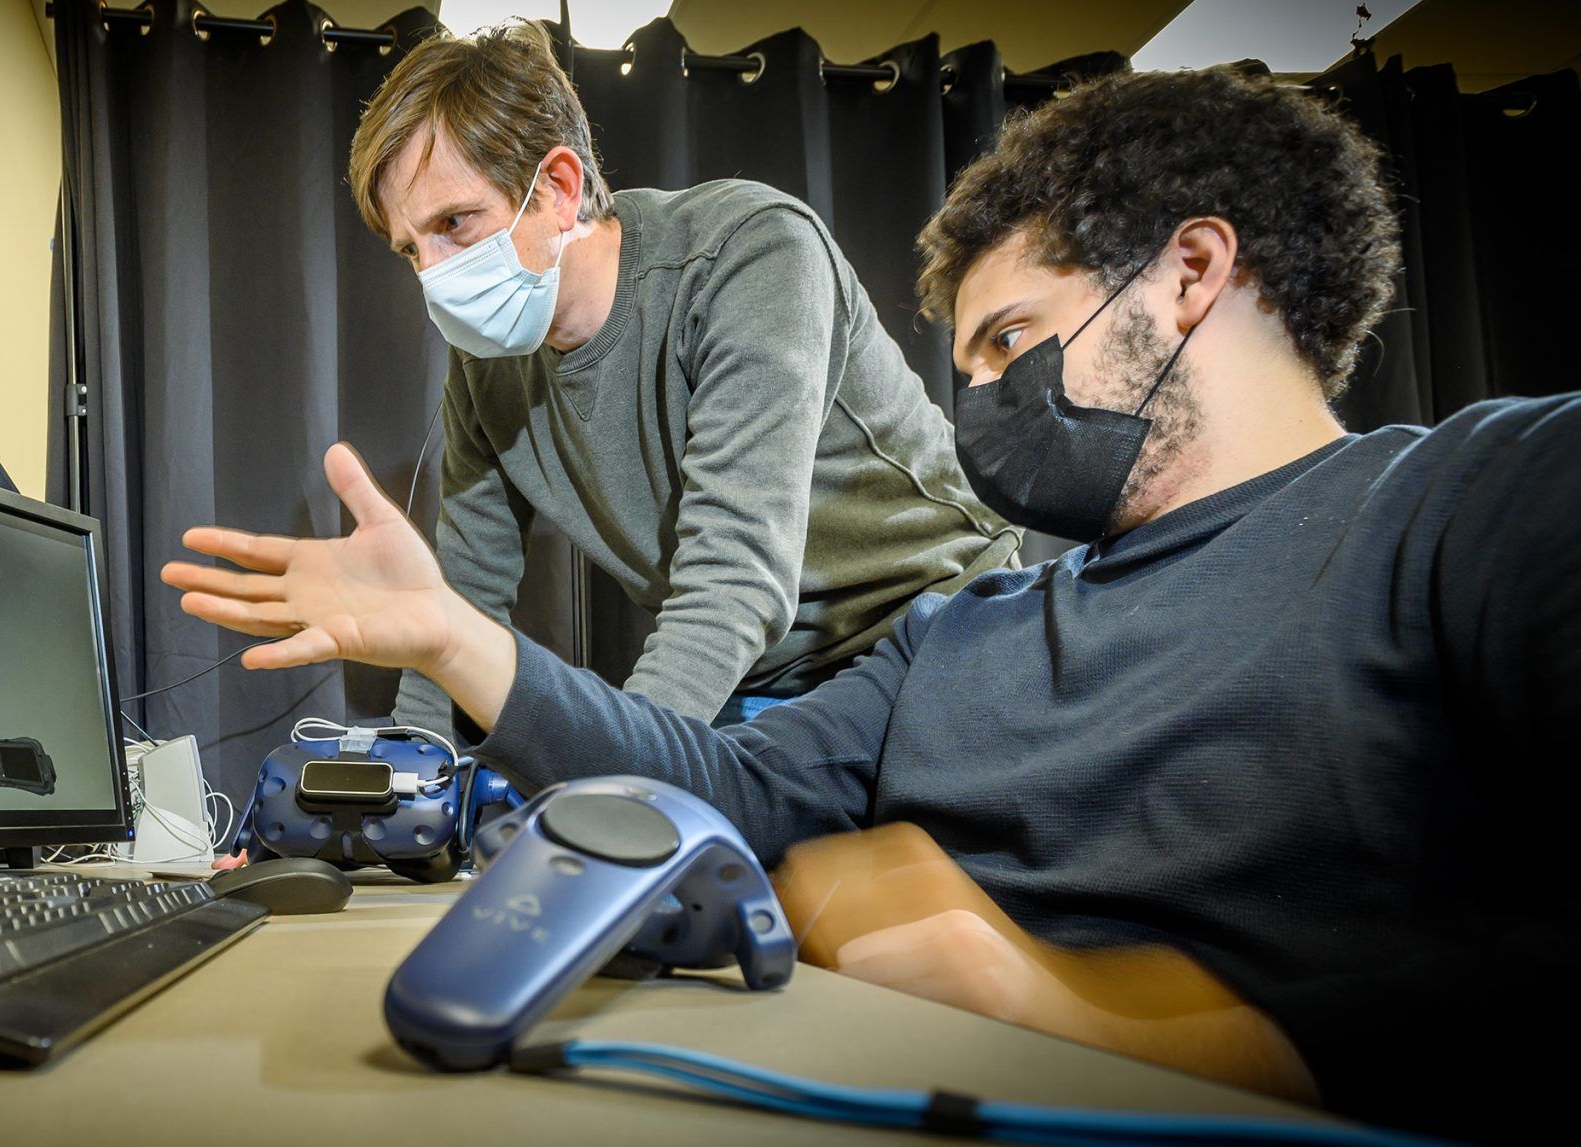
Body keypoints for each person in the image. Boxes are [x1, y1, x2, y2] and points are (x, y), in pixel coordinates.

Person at [166, 65, 1579, 1141]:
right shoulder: (964, 653)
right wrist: (450, 659)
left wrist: (1156, 1022)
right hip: (861, 732)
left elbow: (734, 571)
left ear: (1196, 273)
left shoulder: (1479, 498)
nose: (978, 405)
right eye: (964, 363)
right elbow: (706, 767)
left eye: (1011, 341)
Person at [354, 22, 1019, 731]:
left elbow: (734, 577)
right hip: (764, 674)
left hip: (936, 626)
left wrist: (621, 776)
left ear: (557, 188)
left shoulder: (750, 252)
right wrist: (403, 785)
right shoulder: (485, 370)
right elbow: (465, 598)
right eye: (410, 250)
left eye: (454, 223)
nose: (434, 275)